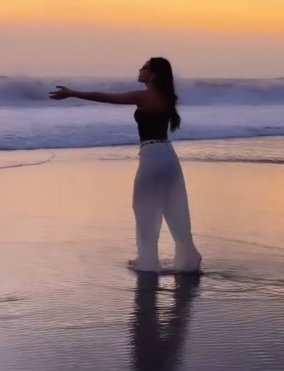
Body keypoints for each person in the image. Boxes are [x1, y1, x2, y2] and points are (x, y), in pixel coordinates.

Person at [50, 58, 201, 273]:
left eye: (145, 67)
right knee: (173, 207)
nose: (140, 70)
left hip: (152, 156)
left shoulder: (144, 96)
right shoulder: (167, 97)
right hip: (168, 155)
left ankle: (148, 262)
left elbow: (105, 97)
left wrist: (74, 93)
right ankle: (189, 258)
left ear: (154, 74)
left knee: (145, 208)